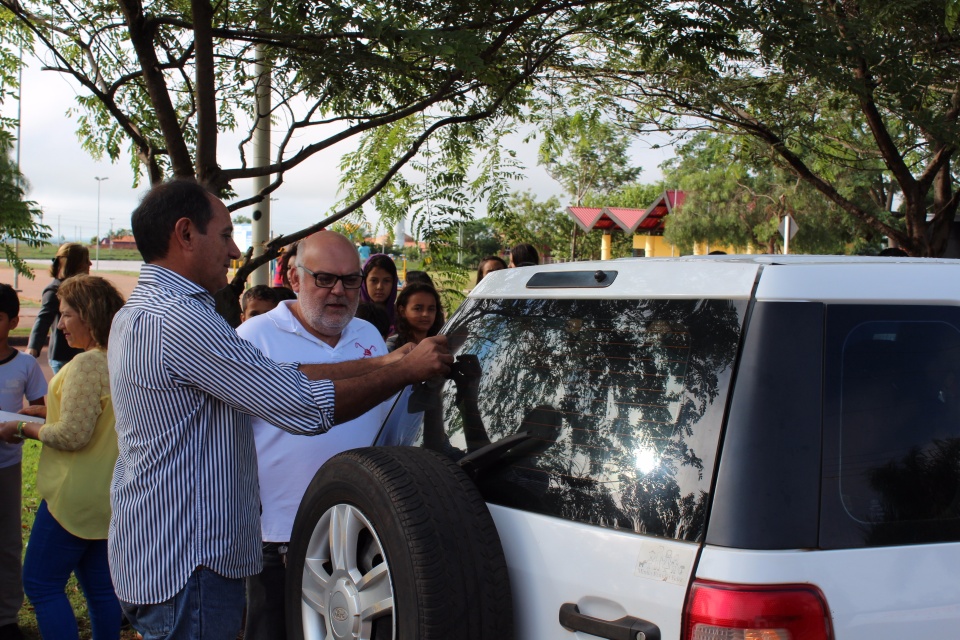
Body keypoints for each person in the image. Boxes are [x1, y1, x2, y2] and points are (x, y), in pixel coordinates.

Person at [107, 179, 451, 640]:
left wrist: (388, 360)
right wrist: (404, 371)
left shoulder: (146, 310)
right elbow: (299, 403)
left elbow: (283, 375)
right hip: (191, 563)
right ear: (185, 234)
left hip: (173, 553)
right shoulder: (179, 320)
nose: (234, 252)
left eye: (349, 280)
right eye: (226, 235)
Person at [237, 230, 393, 640]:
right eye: (324, 279)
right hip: (277, 538)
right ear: (293, 278)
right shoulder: (254, 339)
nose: (339, 291)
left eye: (350, 280)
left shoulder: (370, 339)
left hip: (359, 532)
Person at [0, 275, 125, 640]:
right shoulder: (120, 358)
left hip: (73, 498)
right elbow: (96, 418)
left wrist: (20, 429)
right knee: (101, 590)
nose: (60, 325)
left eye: (67, 315)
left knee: (40, 583)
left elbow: (72, 434)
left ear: (89, 315)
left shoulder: (87, 364)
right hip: (107, 495)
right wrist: (47, 414)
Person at [0, 285, 46, 640]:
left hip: (6, 466)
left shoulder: (25, 364)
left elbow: (42, 411)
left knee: (7, 541)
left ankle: (6, 616)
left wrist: (20, 428)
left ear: (14, 321)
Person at [27, 242, 91, 373]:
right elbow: (43, 319)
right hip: (63, 356)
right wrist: (33, 347)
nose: (90, 264)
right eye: (86, 260)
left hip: (81, 353)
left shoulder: (82, 288)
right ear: (75, 264)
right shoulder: (54, 290)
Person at [386, 282, 445, 352]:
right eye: (418, 309)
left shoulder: (443, 345)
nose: (425, 314)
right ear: (402, 311)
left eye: (431, 309)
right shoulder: (391, 346)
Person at [360, 253, 398, 334]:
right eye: (374, 280)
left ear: (393, 283)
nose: (380, 287)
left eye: (386, 281)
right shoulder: (353, 317)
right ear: (364, 281)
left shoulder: (401, 317)